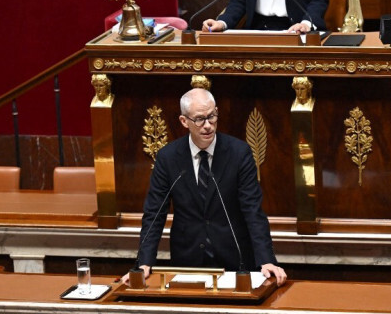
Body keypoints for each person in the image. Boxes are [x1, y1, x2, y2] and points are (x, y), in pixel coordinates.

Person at [122, 88, 287, 286]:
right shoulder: (168, 158)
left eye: (212, 116)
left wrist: (266, 259)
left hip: (235, 260)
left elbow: (253, 210)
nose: (208, 125)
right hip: (187, 261)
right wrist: (144, 262)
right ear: (184, 121)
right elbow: (154, 214)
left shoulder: (238, 153)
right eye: (200, 119)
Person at [202, 0, 329, 33]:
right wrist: (222, 22)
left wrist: (306, 23)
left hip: (296, 29)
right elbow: (239, 0)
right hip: (257, 29)